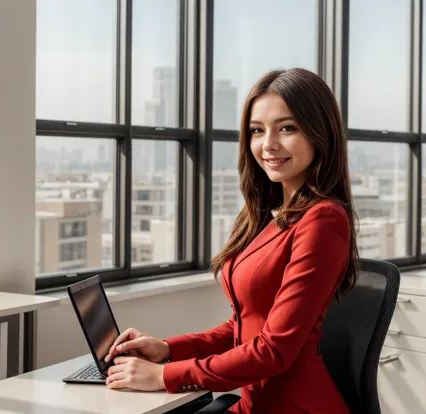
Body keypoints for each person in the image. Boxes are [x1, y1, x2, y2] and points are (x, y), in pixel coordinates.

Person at [103, 67, 359, 414]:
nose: (268, 144)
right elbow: (243, 326)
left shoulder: (323, 220)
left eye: (287, 128)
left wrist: (165, 375)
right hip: (254, 403)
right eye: (257, 130)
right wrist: (167, 349)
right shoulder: (272, 216)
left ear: (319, 133)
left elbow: (273, 350)